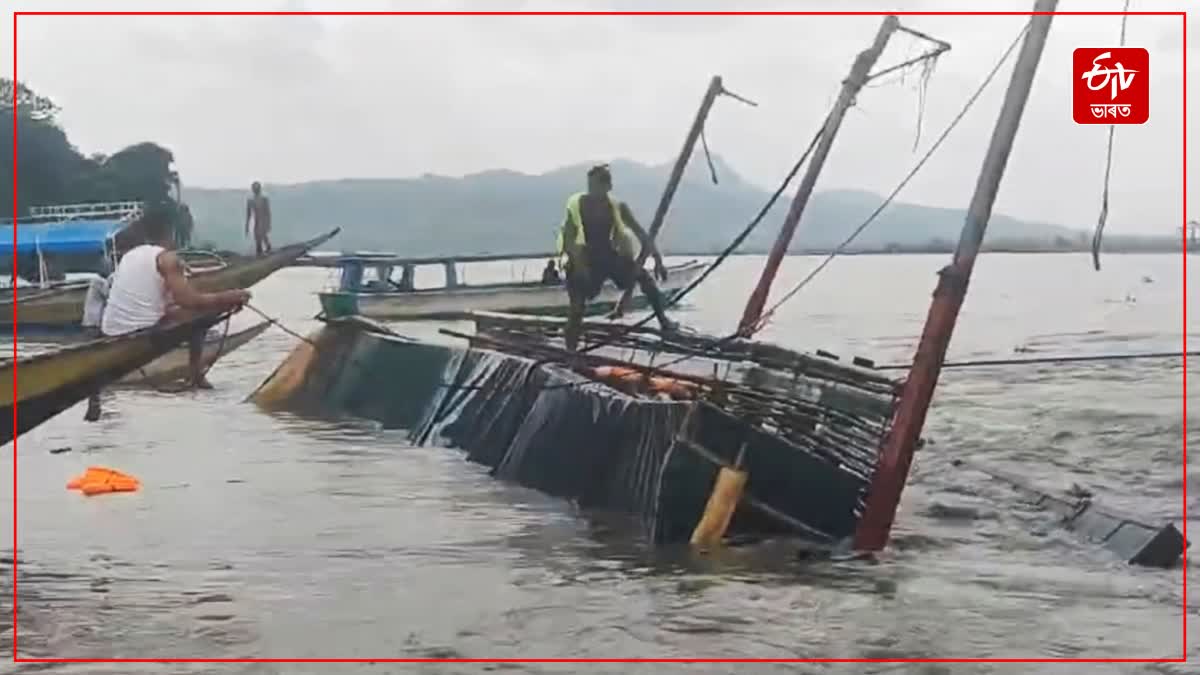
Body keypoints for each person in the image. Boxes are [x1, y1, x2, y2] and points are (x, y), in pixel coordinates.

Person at [100, 207, 251, 392]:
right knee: (204, 311)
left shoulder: (129, 256)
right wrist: (228, 298)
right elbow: (189, 301)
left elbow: (163, 304)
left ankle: (194, 373)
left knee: (197, 308)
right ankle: (195, 374)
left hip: (111, 331)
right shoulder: (167, 259)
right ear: (170, 232)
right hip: (140, 333)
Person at [558, 164, 675, 351]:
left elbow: (641, 233)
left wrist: (658, 260)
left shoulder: (617, 207)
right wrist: (579, 267)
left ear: (607, 186)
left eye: (597, 185)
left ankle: (663, 320)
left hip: (607, 256)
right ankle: (571, 351)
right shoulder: (578, 205)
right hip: (585, 258)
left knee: (644, 277)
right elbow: (569, 239)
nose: (593, 190)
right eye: (591, 185)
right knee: (576, 309)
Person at [81, 273, 112, 421]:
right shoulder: (98, 281)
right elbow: (109, 294)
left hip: (91, 323)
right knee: (95, 353)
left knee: (94, 352)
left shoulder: (97, 281)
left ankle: (94, 397)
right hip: (93, 323)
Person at [245, 181, 272, 257]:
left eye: (257, 188)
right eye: (254, 188)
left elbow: (268, 212)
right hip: (257, 220)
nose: (256, 189)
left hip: (263, 219)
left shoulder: (264, 198)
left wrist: (268, 223)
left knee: (263, 235)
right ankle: (259, 252)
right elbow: (248, 214)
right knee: (257, 237)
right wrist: (247, 226)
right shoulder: (251, 200)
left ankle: (268, 250)